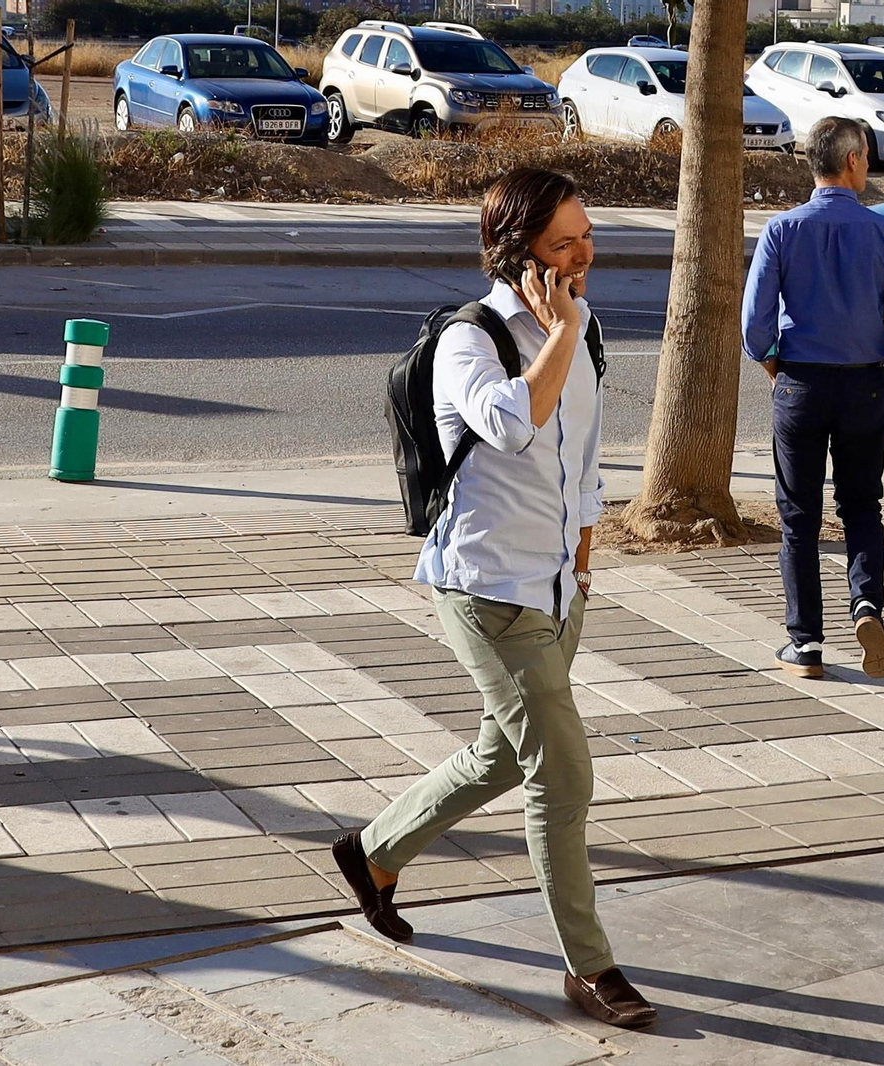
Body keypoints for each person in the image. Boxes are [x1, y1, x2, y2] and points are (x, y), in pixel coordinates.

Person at [333, 167, 657, 1031]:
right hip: (485, 588)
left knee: (504, 754)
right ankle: (589, 967)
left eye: (587, 237)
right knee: (562, 773)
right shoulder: (468, 342)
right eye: (563, 244)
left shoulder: (582, 325)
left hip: (556, 588)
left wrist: (582, 564)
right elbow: (514, 425)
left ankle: (374, 852)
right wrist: (561, 334)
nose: (582, 256)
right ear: (519, 254)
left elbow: (582, 457)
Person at [741, 115, 884, 682]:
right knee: (862, 506)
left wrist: (778, 372)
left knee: (798, 516)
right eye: (866, 155)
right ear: (851, 161)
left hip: (800, 383)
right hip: (864, 386)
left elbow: (754, 328)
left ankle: (805, 644)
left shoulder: (781, 230)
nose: (868, 165)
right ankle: (867, 605)